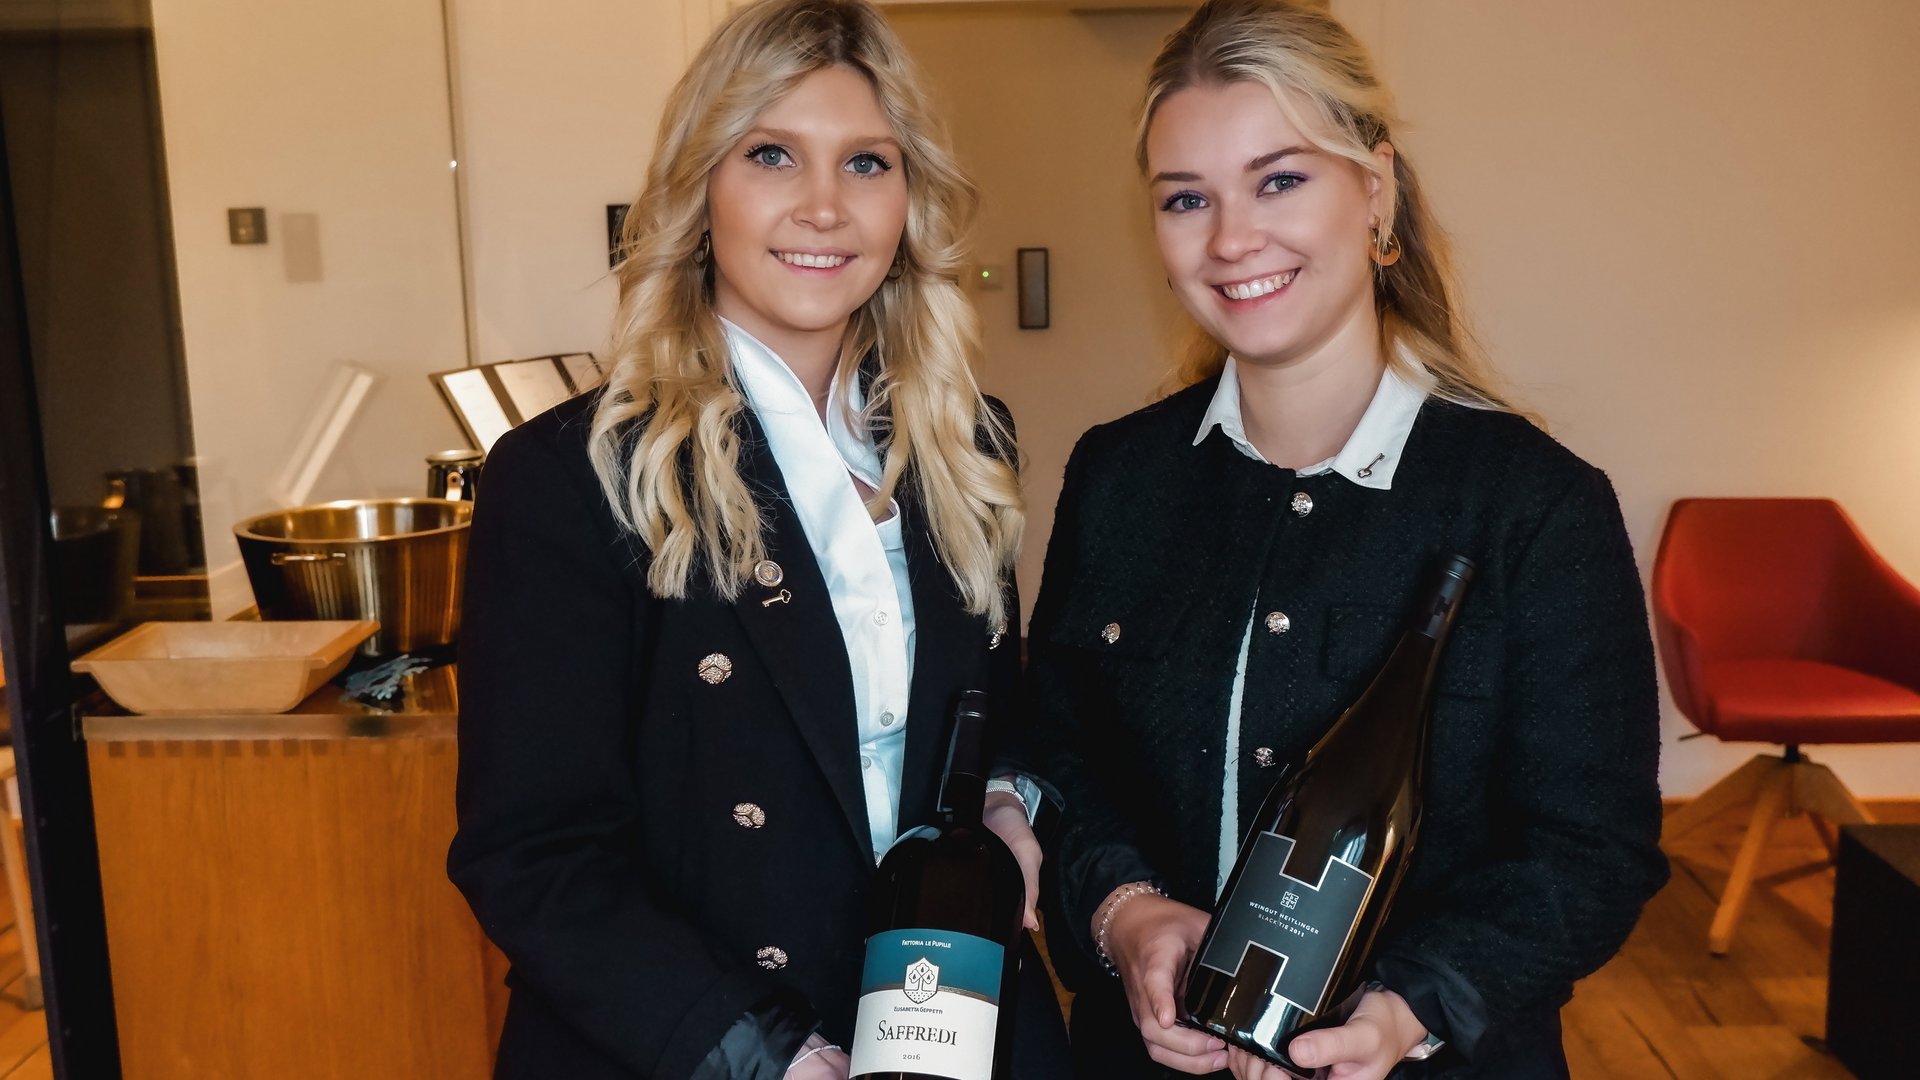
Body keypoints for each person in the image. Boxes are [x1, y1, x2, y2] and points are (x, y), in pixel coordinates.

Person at [1021, 1, 1669, 1077]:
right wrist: (1124, 913)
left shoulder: (1534, 505)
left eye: (1280, 180)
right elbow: (1059, 752)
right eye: (1187, 198)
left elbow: (1591, 851)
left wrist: (1411, 1008)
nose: (1232, 239)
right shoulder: (1116, 476)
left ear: (1376, 189)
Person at [447, 2, 1063, 1076]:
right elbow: (532, 855)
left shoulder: (966, 443)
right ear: (700, 192)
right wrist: (762, 1051)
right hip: (691, 1043)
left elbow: (995, 710)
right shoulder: (575, 478)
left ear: (907, 201)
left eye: (867, 163)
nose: (825, 208)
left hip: (939, 1020)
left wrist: (1009, 801)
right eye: (772, 154)